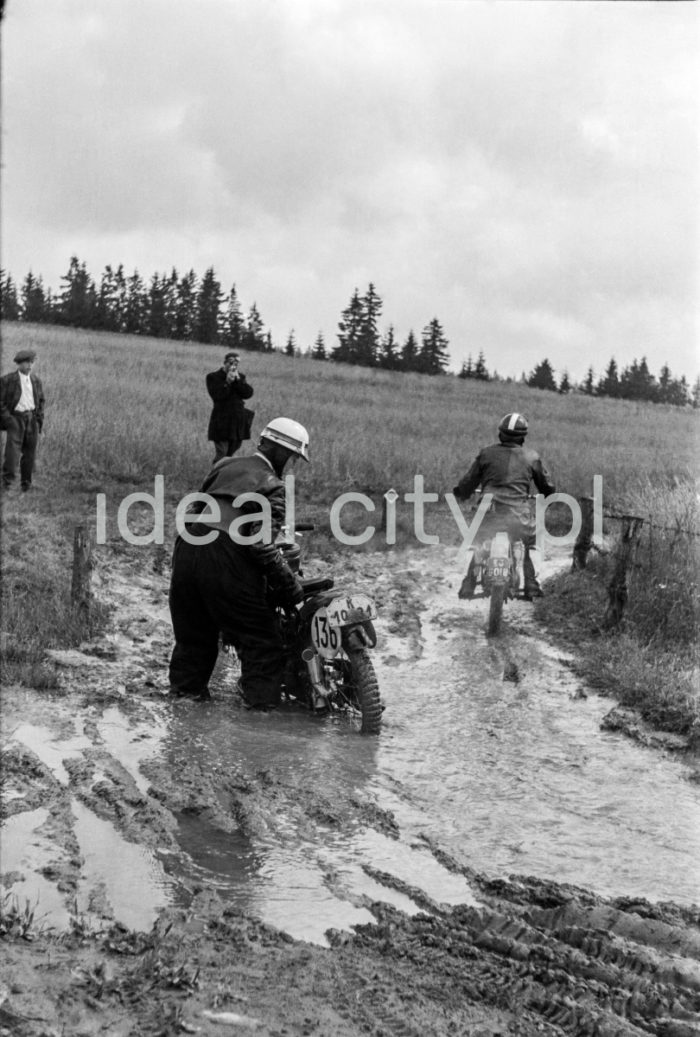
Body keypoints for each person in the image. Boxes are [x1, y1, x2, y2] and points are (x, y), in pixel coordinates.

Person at [168, 417, 310, 710]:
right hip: (223, 557)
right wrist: (290, 586)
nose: (292, 465)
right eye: (294, 458)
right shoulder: (272, 485)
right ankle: (257, 721)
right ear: (282, 454)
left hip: (187, 549)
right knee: (264, 642)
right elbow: (260, 544)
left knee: (194, 638)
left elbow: (193, 510)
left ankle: (183, 709)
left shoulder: (223, 466)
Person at [452, 412, 556, 600]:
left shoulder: (486, 454)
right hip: (518, 516)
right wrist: (549, 495)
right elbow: (547, 486)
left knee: (479, 544)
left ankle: (469, 583)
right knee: (525, 545)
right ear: (523, 437)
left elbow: (469, 481)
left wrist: (462, 492)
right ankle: (531, 584)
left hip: (487, 512)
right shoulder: (532, 457)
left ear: (500, 434)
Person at [0, 349, 46, 492]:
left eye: (32, 362)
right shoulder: (7, 380)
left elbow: (41, 401)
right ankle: (7, 484)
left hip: (31, 419)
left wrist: (39, 422)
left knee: (30, 453)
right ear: (19, 364)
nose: (30, 365)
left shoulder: (36, 381)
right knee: (12, 453)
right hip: (15, 419)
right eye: (26, 362)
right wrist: (8, 419)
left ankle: (26, 484)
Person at [206, 351, 254, 463]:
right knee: (222, 453)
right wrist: (227, 382)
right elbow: (217, 396)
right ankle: (215, 476)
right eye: (230, 362)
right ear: (224, 362)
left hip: (237, 420)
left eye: (236, 363)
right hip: (221, 420)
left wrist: (238, 381)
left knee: (230, 453)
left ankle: (224, 475)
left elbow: (248, 393)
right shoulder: (213, 377)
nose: (233, 365)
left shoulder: (240, 377)